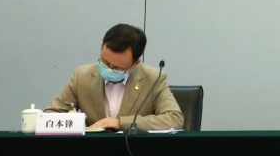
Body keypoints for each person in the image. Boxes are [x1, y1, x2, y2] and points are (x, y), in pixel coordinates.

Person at [46, 23, 182, 131]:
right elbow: (50, 114)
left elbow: (174, 119)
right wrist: (68, 119)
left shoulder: (153, 79)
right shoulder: (82, 75)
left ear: (135, 64)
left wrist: (121, 123)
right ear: (102, 46)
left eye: (117, 68)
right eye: (105, 62)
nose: (109, 69)